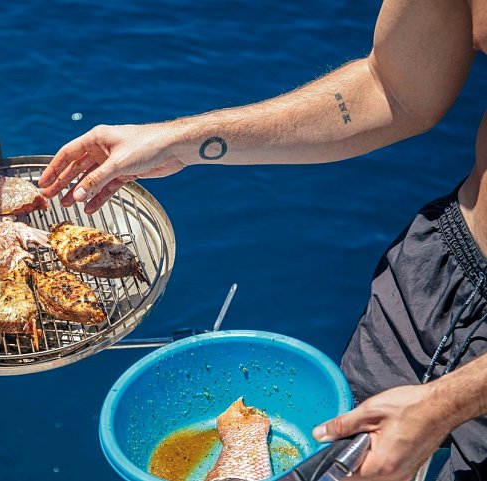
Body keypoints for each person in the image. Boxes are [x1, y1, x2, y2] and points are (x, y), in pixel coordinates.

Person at [38, 1, 487, 480]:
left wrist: (442, 405)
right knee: (340, 457)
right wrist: (181, 140)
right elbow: (393, 90)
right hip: (439, 267)